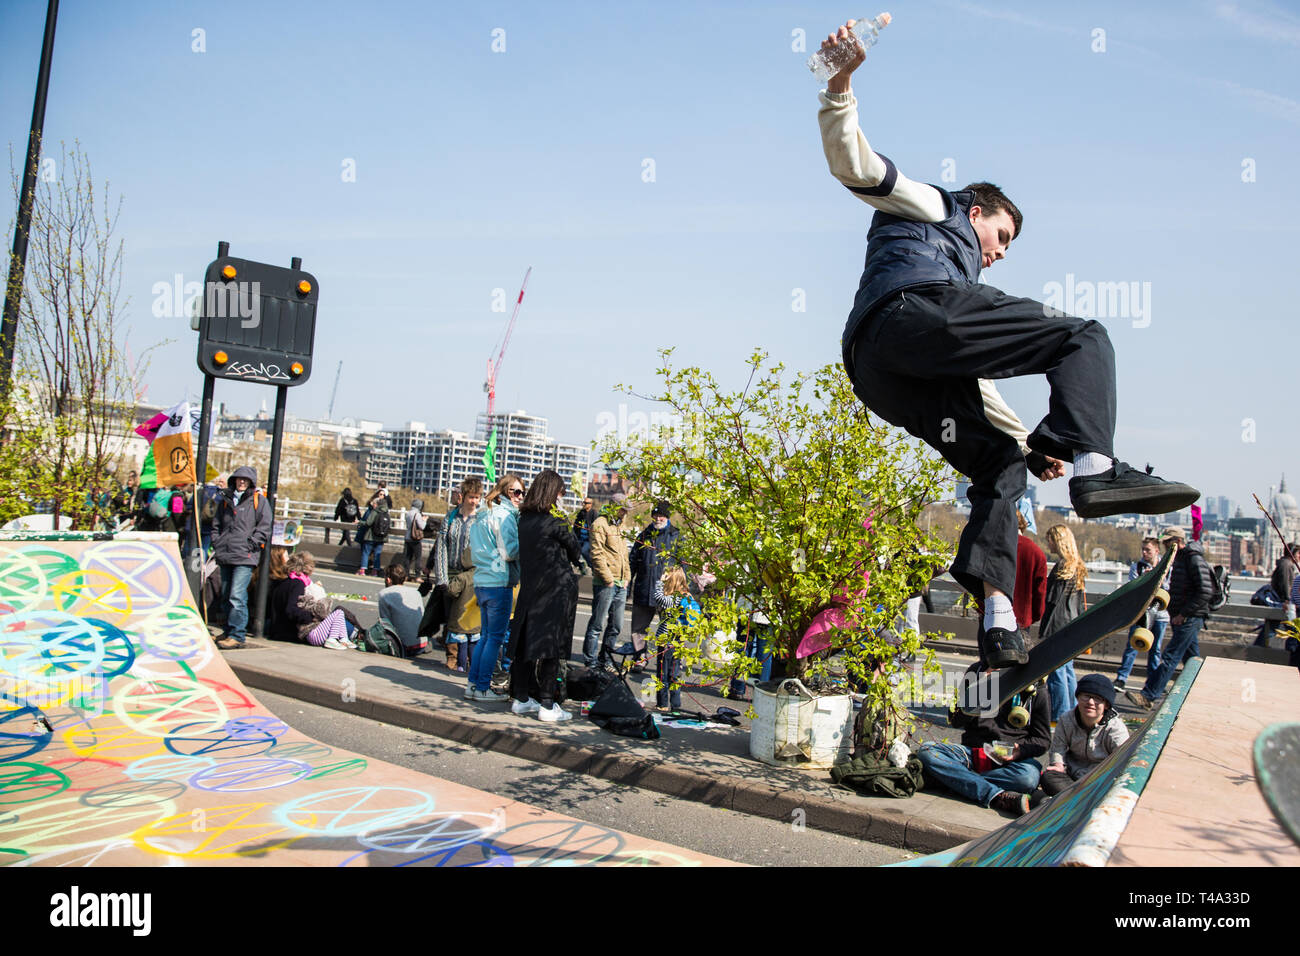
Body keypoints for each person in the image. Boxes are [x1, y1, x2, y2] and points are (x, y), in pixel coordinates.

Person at [817, 20, 1199, 672]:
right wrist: (840, 82)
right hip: (910, 315)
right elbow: (856, 165)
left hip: (882, 371)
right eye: (1001, 236)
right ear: (976, 210)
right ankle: (1096, 469)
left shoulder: (961, 279)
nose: (997, 255)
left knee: (1001, 465)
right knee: (1084, 335)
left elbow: (982, 388)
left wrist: (1033, 445)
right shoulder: (934, 205)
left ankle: (997, 622)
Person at [916, 665, 1051, 817]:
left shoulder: (1034, 686)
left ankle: (954, 780)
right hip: (971, 753)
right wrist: (978, 689)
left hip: (1011, 762)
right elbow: (955, 720)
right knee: (928, 750)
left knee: (1028, 778)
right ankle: (996, 796)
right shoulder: (977, 671)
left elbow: (1043, 739)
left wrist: (1020, 750)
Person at [507, 469, 582, 722]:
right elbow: (575, 550)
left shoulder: (524, 518)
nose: (562, 497)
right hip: (555, 590)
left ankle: (521, 698)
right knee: (552, 646)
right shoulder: (556, 521)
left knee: (525, 645)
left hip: (530, 588)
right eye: (561, 492)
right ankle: (547, 704)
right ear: (552, 492)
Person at [1126, 527, 1212, 709]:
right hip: (1184, 617)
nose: (1164, 546)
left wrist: (1184, 613)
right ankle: (1202, 695)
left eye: (1167, 542)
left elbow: (1205, 591)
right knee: (1192, 660)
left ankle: (1149, 695)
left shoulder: (1192, 558)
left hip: (1190, 617)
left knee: (1171, 655)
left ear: (1178, 541)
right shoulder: (1180, 559)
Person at [466, 473, 523, 702]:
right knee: (495, 638)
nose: (520, 496)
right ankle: (482, 688)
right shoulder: (505, 516)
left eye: (522, 492)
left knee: (485, 637)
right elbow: (509, 552)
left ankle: (472, 684)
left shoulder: (483, 513)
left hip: (482, 580)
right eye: (516, 491)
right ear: (505, 491)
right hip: (499, 581)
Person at [212, 465, 272, 649]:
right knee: (226, 595)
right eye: (239, 479)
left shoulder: (258, 501)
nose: (242, 482)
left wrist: (251, 544)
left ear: (251, 483)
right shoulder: (225, 500)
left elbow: (265, 526)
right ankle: (230, 630)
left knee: (237, 596)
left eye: (245, 480)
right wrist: (218, 542)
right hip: (226, 552)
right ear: (234, 480)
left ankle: (237, 635)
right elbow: (217, 524)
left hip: (245, 555)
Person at [1040, 674, 1130, 798]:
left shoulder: (1115, 728)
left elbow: (1122, 759)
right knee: (1048, 777)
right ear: (1078, 698)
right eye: (1086, 696)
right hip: (1071, 776)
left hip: (1100, 778)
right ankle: (1081, 798)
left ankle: (1070, 799)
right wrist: (1058, 765)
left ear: (1106, 705)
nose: (1090, 702)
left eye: (1097, 698)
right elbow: (1058, 748)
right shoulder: (1066, 719)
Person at [433, 477, 483, 671]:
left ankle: (468, 661)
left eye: (477, 497)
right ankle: (452, 658)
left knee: (469, 618)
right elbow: (442, 547)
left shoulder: (480, 518)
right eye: (471, 497)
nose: (474, 502)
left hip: (472, 575)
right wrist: (441, 578)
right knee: (450, 618)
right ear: (463, 496)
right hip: (452, 573)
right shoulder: (451, 517)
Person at [1041, 524, 1087, 722]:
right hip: (1073, 624)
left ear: (1058, 541)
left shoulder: (1062, 567)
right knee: (1067, 671)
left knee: (1056, 672)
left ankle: (1060, 714)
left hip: (1058, 624)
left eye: (1049, 539)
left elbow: (1052, 600)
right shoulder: (1077, 565)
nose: (1047, 543)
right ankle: (1073, 712)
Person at [628, 499, 679, 672]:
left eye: (661, 515)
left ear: (668, 517)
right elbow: (632, 561)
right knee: (638, 629)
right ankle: (639, 658)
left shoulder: (676, 536)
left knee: (667, 628)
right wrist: (628, 586)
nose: (658, 518)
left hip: (667, 592)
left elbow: (683, 566)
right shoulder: (643, 535)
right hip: (644, 588)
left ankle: (664, 661)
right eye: (655, 515)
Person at [267, 551, 354, 649]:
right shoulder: (298, 584)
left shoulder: (285, 581)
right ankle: (341, 638)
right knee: (344, 622)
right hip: (288, 632)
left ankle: (344, 638)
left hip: (276, 629)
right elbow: (291, 610)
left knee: (341, 622)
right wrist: (312, 617)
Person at [1115, 537, 1170, 692]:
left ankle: (1153, 682)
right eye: (1143, 550)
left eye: (1148, 550)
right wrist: (1145, 578)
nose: (1145, 553)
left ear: (1157, 551)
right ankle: (1121, 679)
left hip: (1160, 615)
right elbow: (1133, 588)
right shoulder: (1137, 567)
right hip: (1142, 614)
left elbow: (1168, 588)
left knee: (1155, 649)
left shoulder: (1167, 567)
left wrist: (1157, 576)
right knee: (1132, 646)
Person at [583, 496, 630, 669]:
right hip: (605, 582)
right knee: (597, 624)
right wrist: (609, 579)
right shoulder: (600, 524)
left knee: (616, 625)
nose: (625, 513)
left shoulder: (620, 525)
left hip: (621, 582)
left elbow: (624, 554)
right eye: (622, 509)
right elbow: (596, 554)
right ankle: (590, 660)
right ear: (614, 507)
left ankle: (606, 658)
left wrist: (627, 578)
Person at [651, 566, 701, 711]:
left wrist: (659, 582)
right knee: (675, 674)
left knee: (663, 674)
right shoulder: (686, 596)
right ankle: (676, 704)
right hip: (679, 642)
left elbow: (659, 598)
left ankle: (663, 704)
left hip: (667, 641)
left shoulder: (675, 598)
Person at [378, 560, 426, 655]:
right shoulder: (416, 593)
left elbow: (385, 623)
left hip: (402, 648)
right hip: (421, 645)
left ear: (388, 580)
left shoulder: (384, 594)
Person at [1254, 548, 1297, 647]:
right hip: (1281, 603)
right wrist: (1287, 600)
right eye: (1298, 553)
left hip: (1279, 602)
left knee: (1272, 627)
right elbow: (1285, 584)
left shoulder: (1284, 564)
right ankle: (1258, 650)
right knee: (1277, 627)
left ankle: (1258, 649)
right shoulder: (1286, 565)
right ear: (1292, 553)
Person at [358, 492, 391, 576]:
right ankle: (375, 571)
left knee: (366, 553)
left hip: (371, 536)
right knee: (377, 554)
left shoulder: (375, 511)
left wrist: (360, 522)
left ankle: (362, 570)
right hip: (382, 537)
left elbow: (368, 523)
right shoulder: (387, 513)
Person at [573, 496, 597, 574]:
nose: (584, 504)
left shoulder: (594, 513)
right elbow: (576, 526)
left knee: (584, 551)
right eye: (584, 502)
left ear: (591, 504)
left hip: (588, 539)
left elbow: (596, 527)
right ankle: (581, 566)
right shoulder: (581, 513)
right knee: (574, 552)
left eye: (586, 503)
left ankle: (593, 567)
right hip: (580, 538)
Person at [403, 498, 428, 577]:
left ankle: (406, 574)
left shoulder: (408, 513)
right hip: (415, 538)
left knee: (407, 557)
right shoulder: (417, 514)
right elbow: (422, 526)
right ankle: (417, 575)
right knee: (418, 557)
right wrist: (424, 520)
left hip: (407, 537)